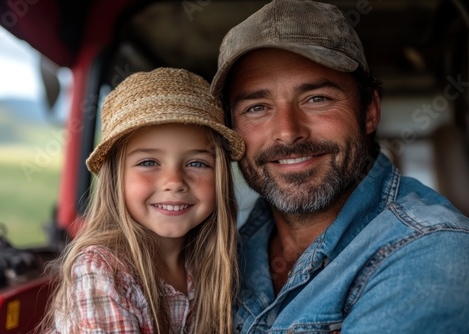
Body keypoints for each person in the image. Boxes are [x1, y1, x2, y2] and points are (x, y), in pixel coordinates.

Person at [210, 0, 469, 333]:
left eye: (317, 99)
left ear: (370, 111)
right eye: (257, 107)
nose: (288, 133)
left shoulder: (432, 252)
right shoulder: (221, 251)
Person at [40, 67, 244, 333]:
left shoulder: (213, 263)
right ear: (115, 179)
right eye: (148, 162)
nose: (174, 181)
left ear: (221, 178)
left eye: (197, 163)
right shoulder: (101, 271)